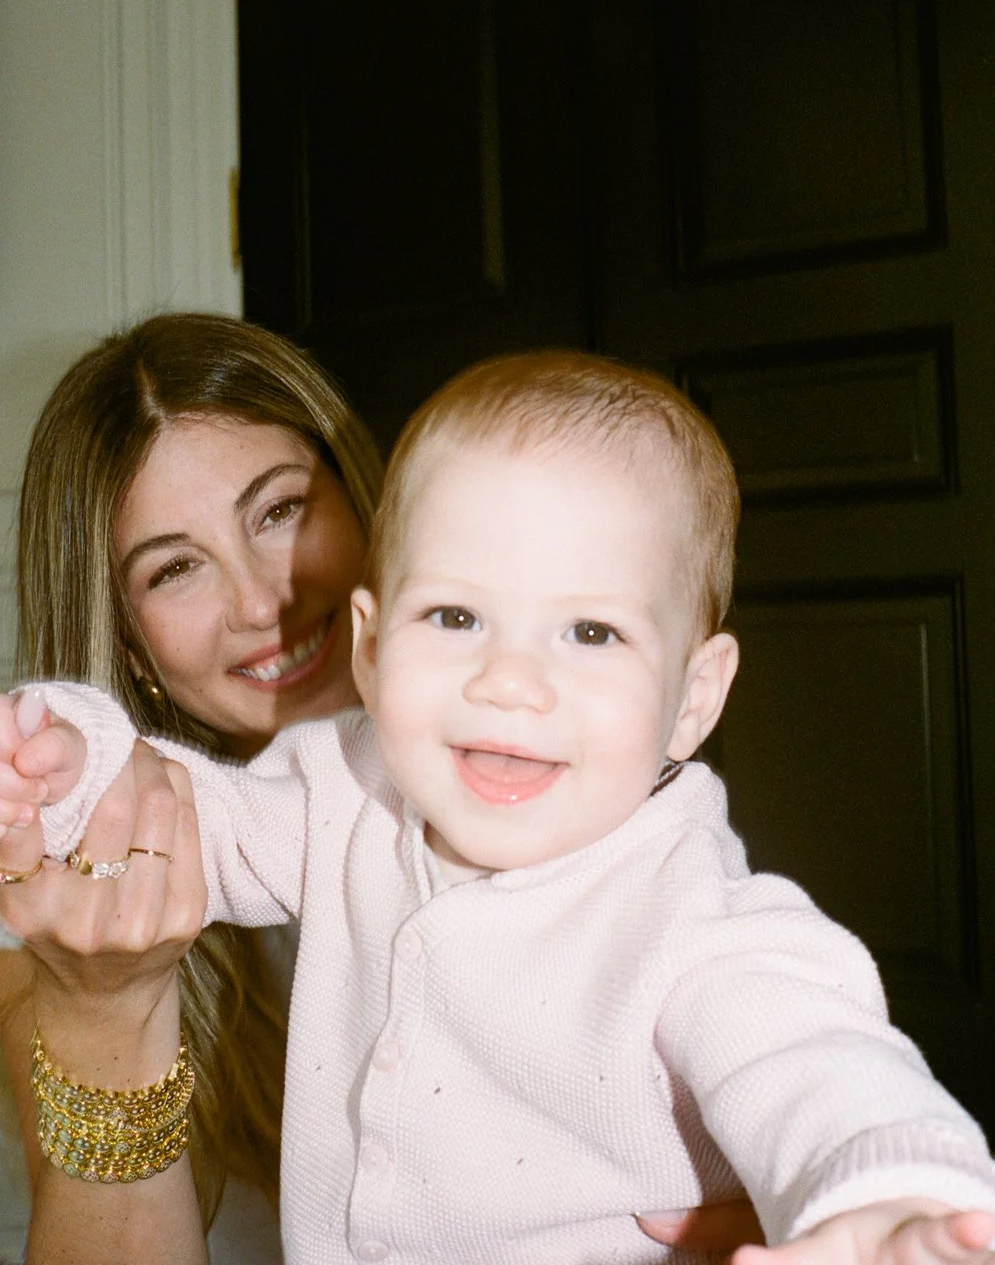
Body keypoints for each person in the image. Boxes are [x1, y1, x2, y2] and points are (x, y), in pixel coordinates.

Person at [7, 347, 995, 1264]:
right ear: (374, 645)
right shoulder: (341, 794)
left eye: (591, 632)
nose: (510, 681)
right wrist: (65, 756)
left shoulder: (690, 915)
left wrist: (894, 1207)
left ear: (694, 697)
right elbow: (173, 819)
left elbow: (821, 1069)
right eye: (456, 616)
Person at [0, 311, 383, 1263]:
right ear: (131, 649)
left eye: (280, 511)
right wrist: (105, 1011)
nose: (262, 602)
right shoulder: (59, 896)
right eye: (175, 569)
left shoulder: (546, 749)